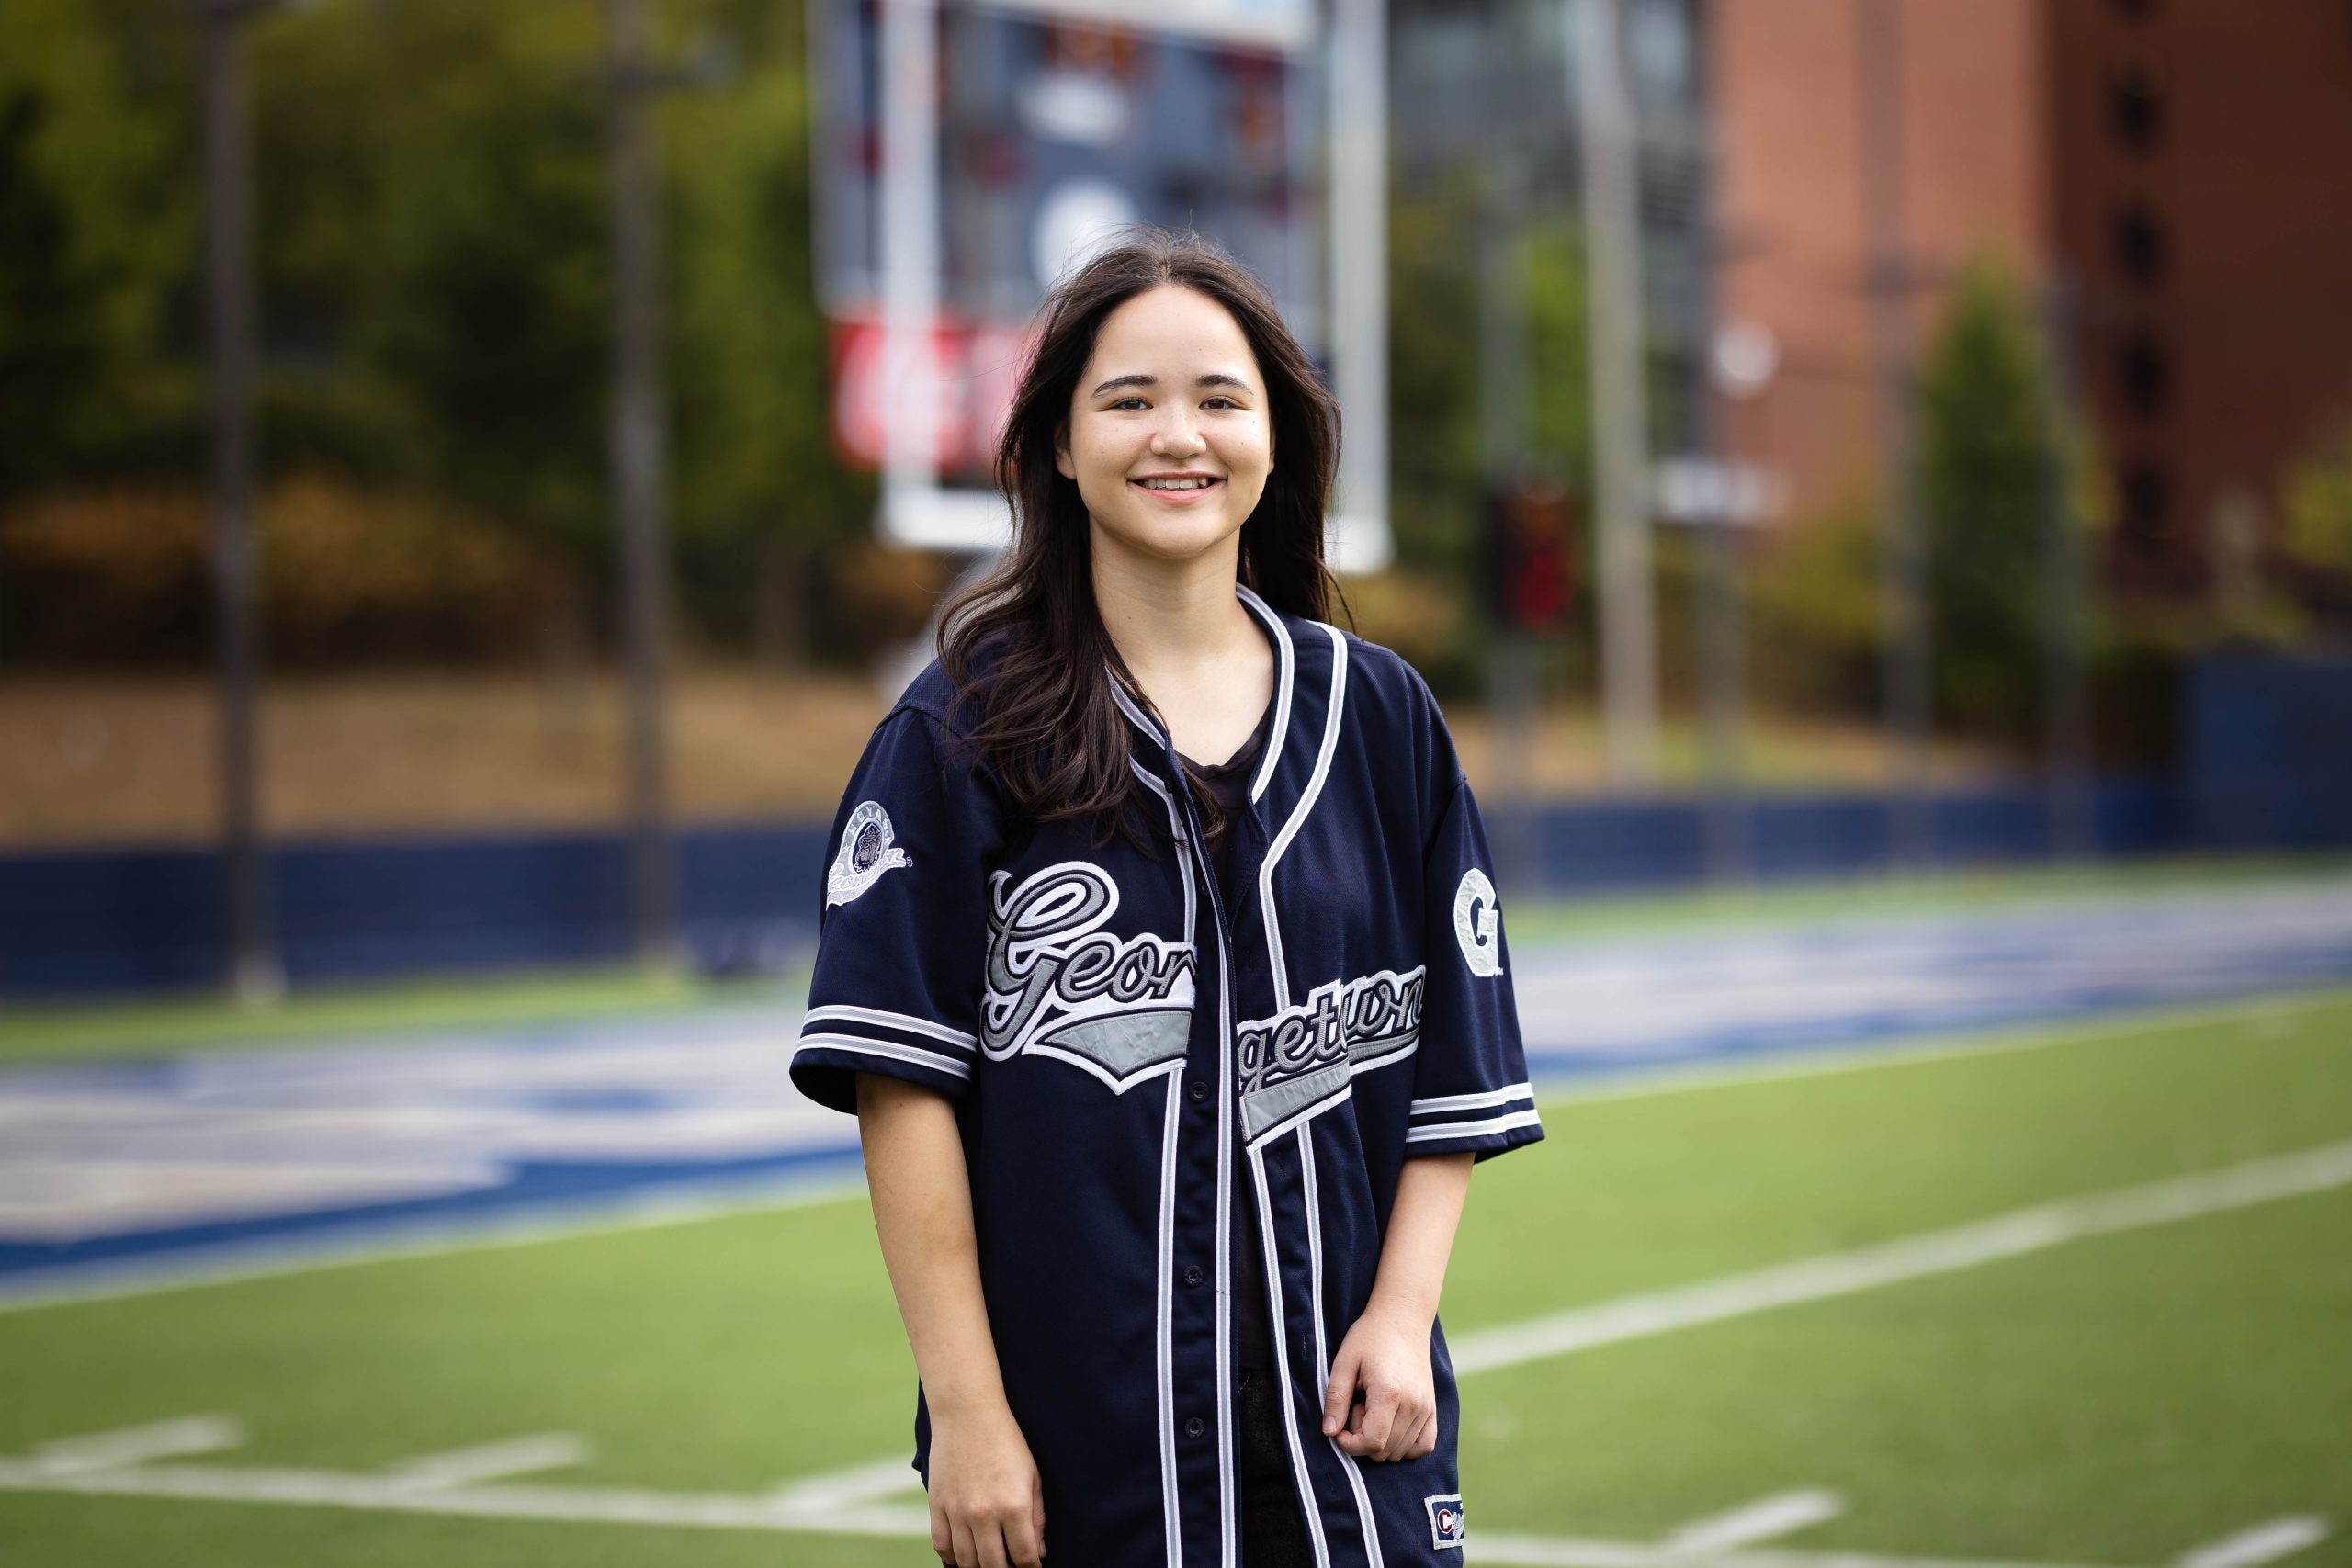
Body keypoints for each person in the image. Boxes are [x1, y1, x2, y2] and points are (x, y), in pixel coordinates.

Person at [790, 228, 1542, 1568]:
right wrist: (965, 1413)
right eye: (1128, 399)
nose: (1176, 436)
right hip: (1079, 1448)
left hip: (1351, 1438)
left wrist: (1400, 1314)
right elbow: (902, 1089)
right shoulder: (958, 729)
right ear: (1059, 449)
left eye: (1218, 399)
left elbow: (1454, 1073)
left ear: (1275, 438)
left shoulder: (1380, 719)